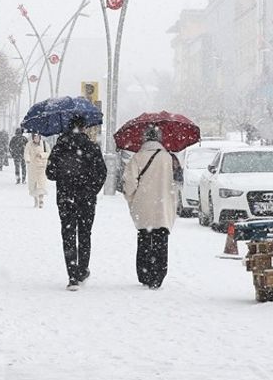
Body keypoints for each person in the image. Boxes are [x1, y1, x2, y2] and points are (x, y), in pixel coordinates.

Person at [45, 116, 107, 290]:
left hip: (66, 198)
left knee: (68, 234)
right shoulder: (92, 147)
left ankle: (72, 276)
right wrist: (90, 190)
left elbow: (50, 173)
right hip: (86, 199)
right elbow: (102, 172)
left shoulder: (60, 147)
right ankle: (82, 270)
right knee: (85, 234)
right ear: (84, 128)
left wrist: (65, 178)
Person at [122, 125, 176, 289]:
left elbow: (129, 183)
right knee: (161, 240)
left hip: (143, 206)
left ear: (145, 138)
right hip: (163, 205)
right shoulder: (168, 157)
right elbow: (176, 182)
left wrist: (132, 198)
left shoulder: (138, 157)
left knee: (145, 239)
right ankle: (158, 275)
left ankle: (145, 273)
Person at [24, 132, 50, 208]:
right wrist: (28, 160)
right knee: (33, 185)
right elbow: (26, 153)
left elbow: (49, 153)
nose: (36, 139)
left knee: (41, 184)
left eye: (38, 137)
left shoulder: (45, 144)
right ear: (32, 138)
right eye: (35, 138)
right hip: (32, 168)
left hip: (42, 167)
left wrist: (42, 155)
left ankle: (41, 199)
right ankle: (36, 200)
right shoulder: (29, 144)